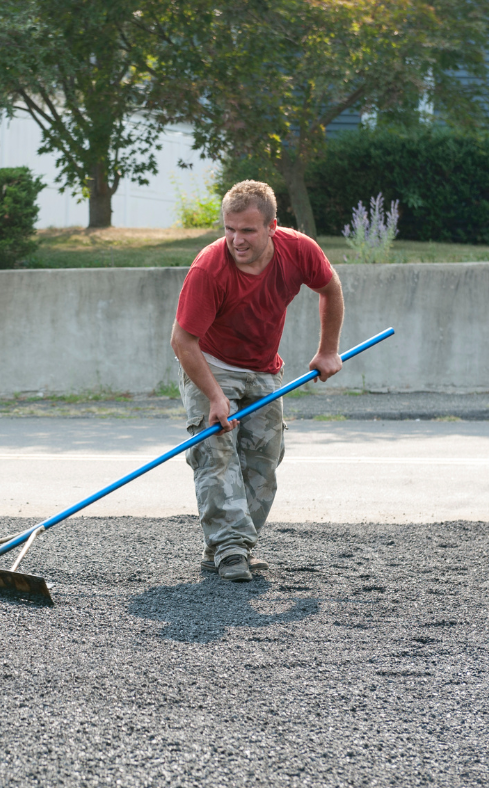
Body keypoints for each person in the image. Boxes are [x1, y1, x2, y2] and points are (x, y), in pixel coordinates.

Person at [170, 180, 344, 582]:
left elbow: (329, 288)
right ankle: (231, 548)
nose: (236, 240)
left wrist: (328, 350)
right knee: (216, 453)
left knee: (263, 461)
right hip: (210, 363)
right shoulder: (209, 267)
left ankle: (230, 545)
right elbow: (183, 341)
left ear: (272, 227)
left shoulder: (299, 250)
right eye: (229, 229)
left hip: (265, 367)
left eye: (247, 230)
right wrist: (215, 397)